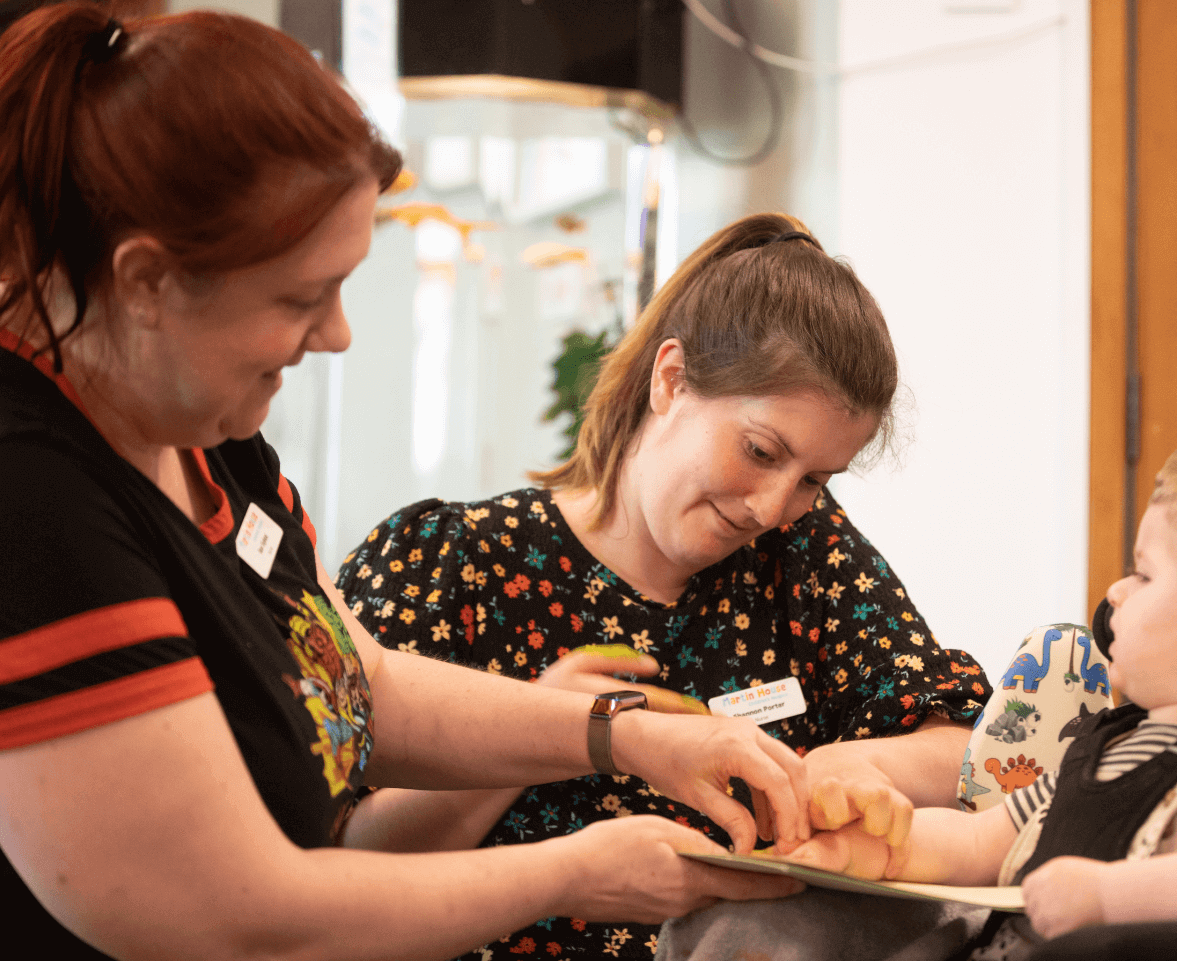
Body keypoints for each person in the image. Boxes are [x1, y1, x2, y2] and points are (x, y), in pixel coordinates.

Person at [0, 6, 827, 959]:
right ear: (147, 281)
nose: (338, 335)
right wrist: (575, 869)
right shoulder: (32, 497)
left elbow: (363, 685)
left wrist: (624, 736)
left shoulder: (208, 435)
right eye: (301, 299)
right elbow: (244, 918)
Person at [335, 212, 995, 958]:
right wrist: (548, 734)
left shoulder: (806, 557)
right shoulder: (450, 564)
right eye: (760, 450)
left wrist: (852, 766)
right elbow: (349, 864)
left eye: (813, 479)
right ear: (670, 379)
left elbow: (975, 751)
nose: (772, 508)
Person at [663, 421, 1177, 961]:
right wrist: (879, 850)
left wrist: (1104, 895)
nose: (1118, 592)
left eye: (1144, 575)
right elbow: (980, 837)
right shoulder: (1106, 742)